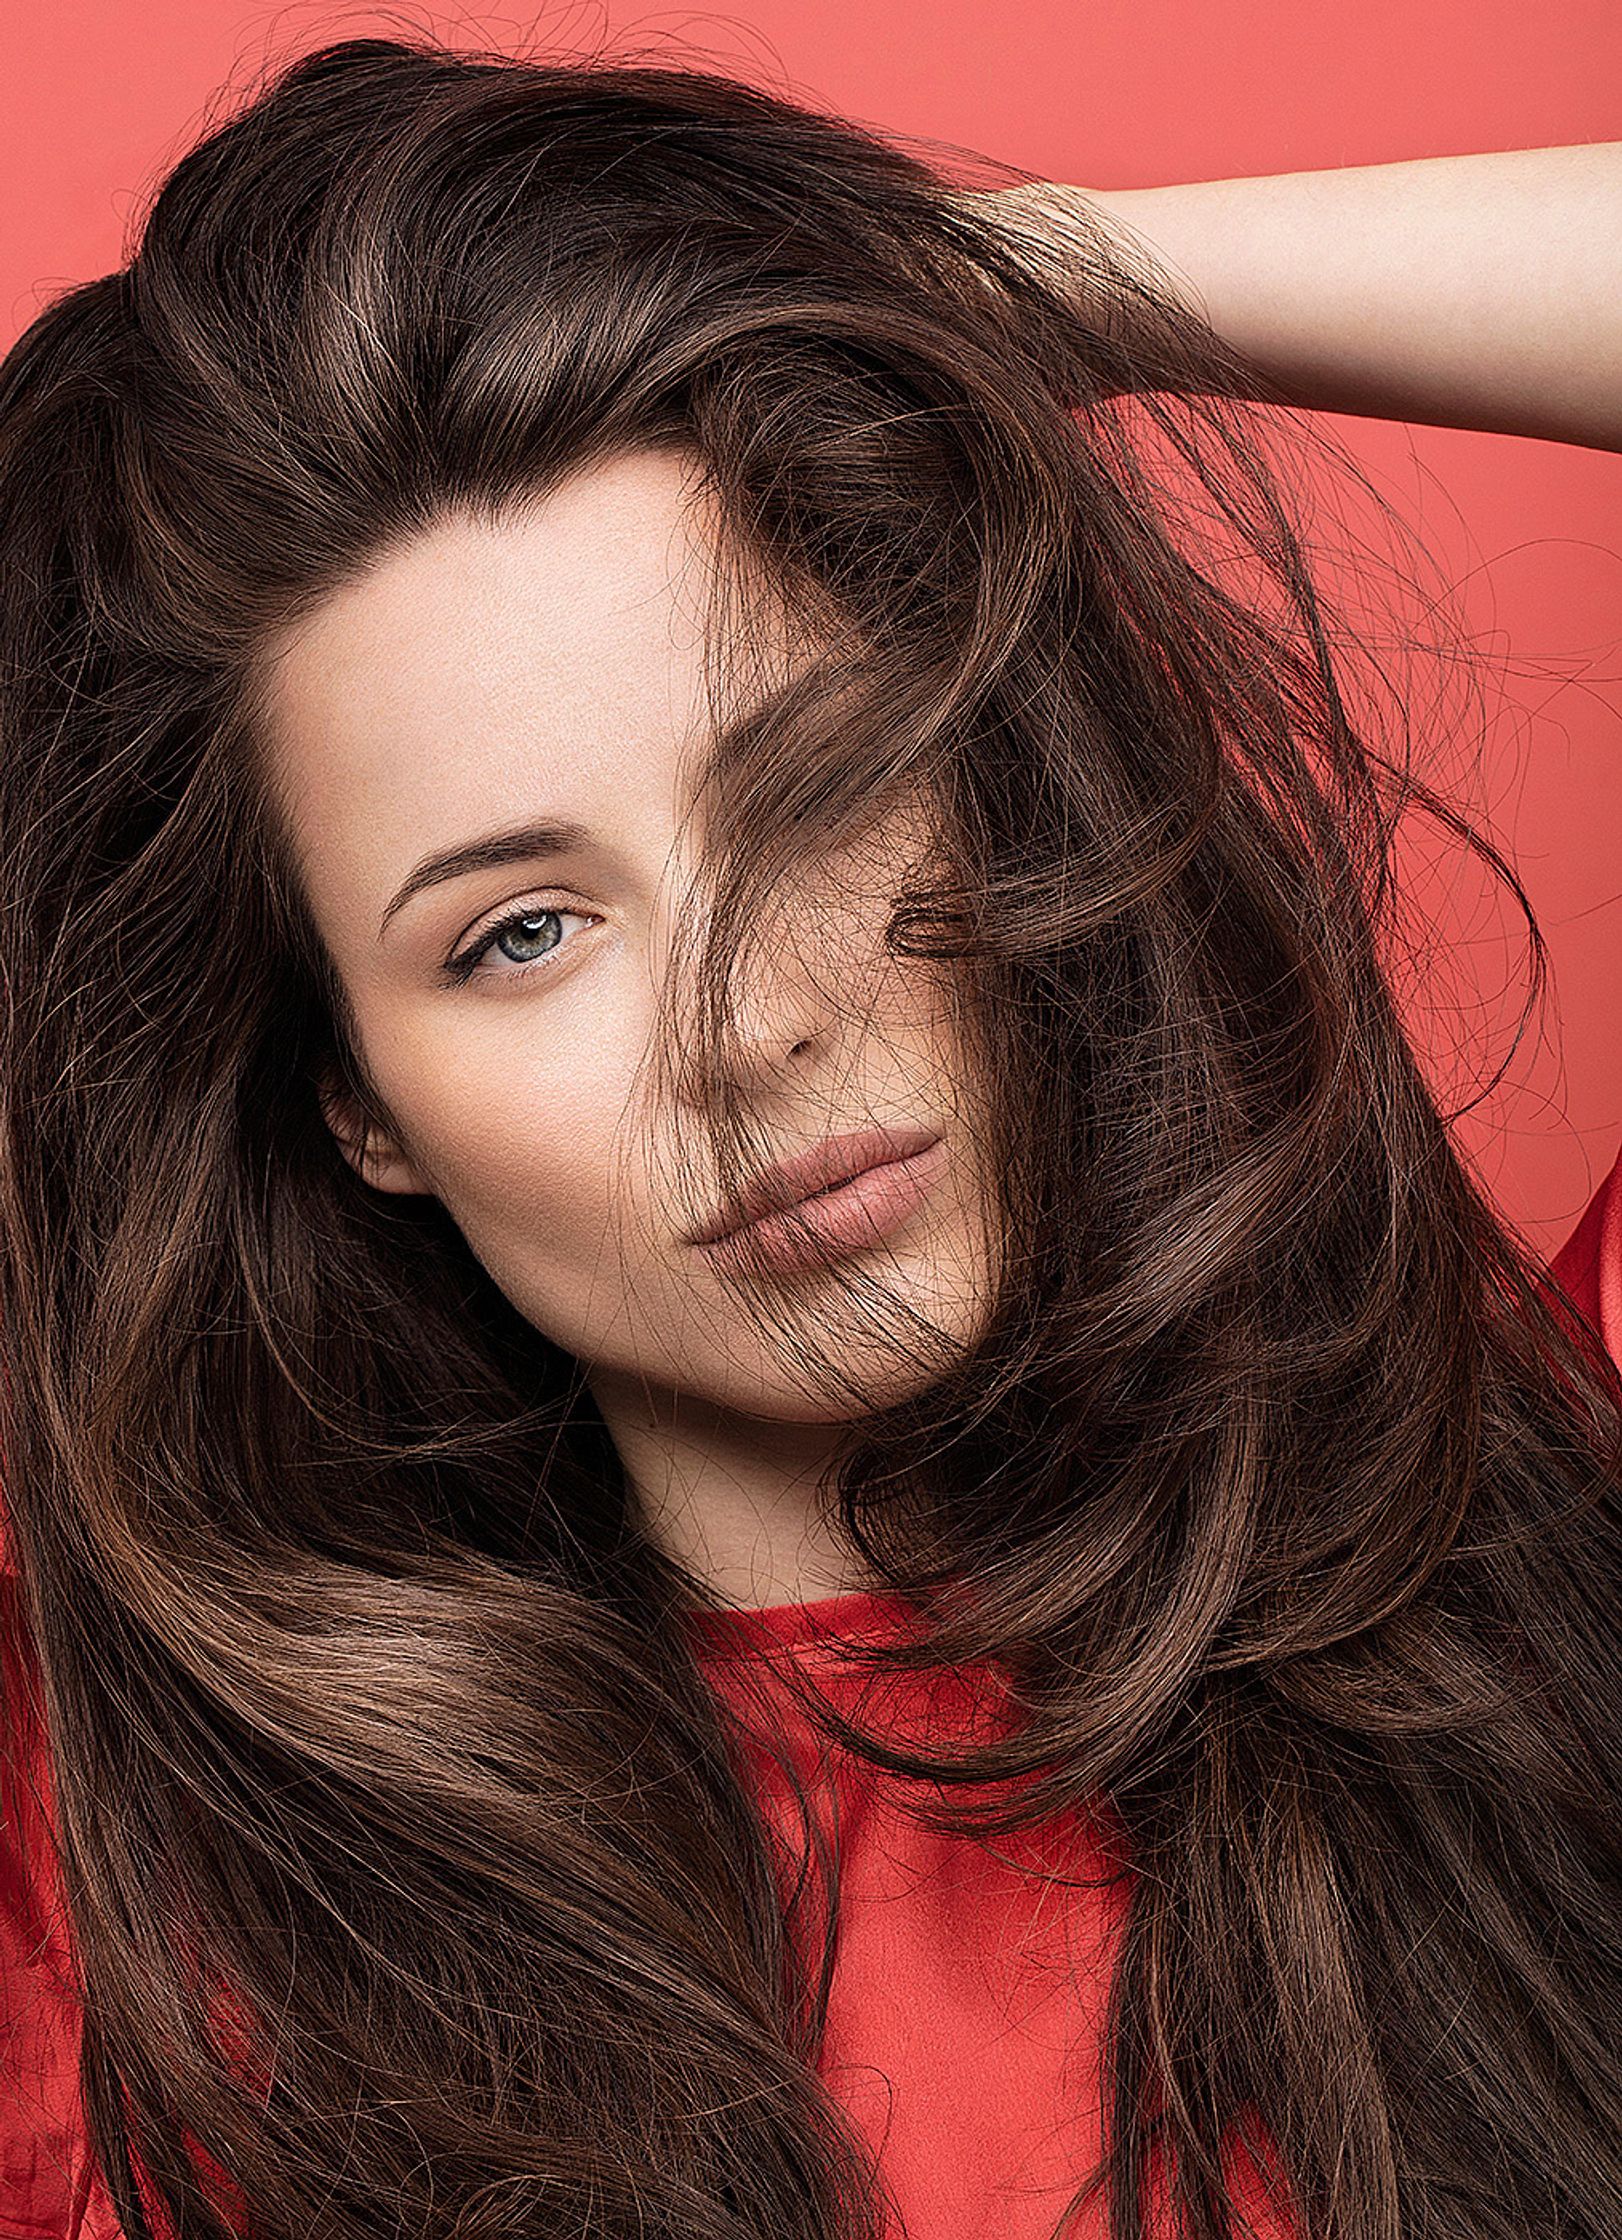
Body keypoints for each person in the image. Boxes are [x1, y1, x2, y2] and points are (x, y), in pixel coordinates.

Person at [0, 34, 1617, 2240]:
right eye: (524, 931)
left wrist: (936, 306)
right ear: (355, 1099)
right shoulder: (127, 1929)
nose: (753, 1024)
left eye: (817, 782)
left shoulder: (1530, 1545)